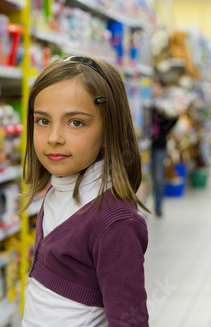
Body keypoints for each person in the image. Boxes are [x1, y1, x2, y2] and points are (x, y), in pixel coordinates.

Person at [20, 56, 150, 326]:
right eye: (42, 121)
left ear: (108, 130)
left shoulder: (115, 223)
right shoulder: (58, 191)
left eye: (76, 122)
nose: (54, 137)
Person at [150, 79, 179, 217]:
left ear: (160, 87)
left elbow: (173, 121)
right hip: (143, 144)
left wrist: (163, 114)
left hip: (159, 144)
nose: (153, 88)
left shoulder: (164, 103)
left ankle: (158, 207)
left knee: (158, 176)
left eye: (155, 85)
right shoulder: (144, 100)